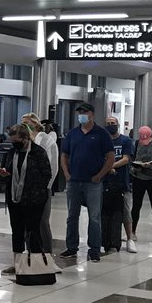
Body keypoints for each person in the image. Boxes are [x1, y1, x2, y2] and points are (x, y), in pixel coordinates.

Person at [59, 102, 114, 262]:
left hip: (93, 183)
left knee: (94, 217)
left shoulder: (101, 134)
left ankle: (94, 249)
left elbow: (110, 157)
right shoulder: (73, 133)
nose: (82, 115)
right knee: (72, 216)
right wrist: (66, 173)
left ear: (92, 114)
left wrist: (100, 175)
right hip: (74, 181)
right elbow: (64, 155)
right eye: (80, 112)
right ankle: (71, 247)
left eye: (85, 112)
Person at [0, 123, 52, 268]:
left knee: (32, 231)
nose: (14, 144)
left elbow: (47, 174)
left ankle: (34, 263)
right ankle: (17, 264)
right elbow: (8, 170)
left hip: (34, 200)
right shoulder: (12, 153)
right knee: (16, 230)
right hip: (15, 198)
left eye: (17, 141)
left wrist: (35, 188)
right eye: (12, 141)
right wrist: (5, 174)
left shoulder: (38, 152)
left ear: (26, 138)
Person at [22, 112, 59, 255]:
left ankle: (47, 256)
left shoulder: (45, 140)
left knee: (42, 223)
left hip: (41, 189)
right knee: (27, 223)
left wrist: (45, 187)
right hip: (25, 189)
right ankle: (30, 254)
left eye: (27, 123)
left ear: (35, 124)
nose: (24, 126)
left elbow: (52, 167)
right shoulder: (24, 140)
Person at [104, 115, 137, 253]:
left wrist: (111, 166)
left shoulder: (125, 140)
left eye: (113, 123)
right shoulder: (103, 141)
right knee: (106, 213)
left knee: (126, 212)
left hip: (122, 182)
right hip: (105, 183)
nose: (110, 125)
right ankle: (106, 239)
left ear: (117, 124)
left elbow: (126, 159)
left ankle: (129, 238)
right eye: (108, 123)